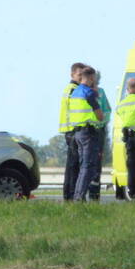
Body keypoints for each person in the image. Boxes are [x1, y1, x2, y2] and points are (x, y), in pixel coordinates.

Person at [69, 66, 104, 201]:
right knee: (88, 167)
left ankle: (77, 195)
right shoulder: (89, 93)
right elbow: (100, 116)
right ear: (91, 78)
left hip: (78, 133)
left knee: (83, 166)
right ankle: (79, 197)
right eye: (93, 78)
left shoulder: (75, 92)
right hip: (88, 132)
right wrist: (94, 89)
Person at [59, 62, 87, 201]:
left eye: (83, 74)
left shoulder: (70, 88)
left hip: (70, 131)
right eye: (79, 74)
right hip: (73, 130)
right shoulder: (74, 90)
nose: (82, 77)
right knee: (74, 166)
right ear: (72, 74)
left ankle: (69, 196)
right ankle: (70, 196)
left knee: (72, 166)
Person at [115, 78, 135, 200]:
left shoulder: (122, 103)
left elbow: (119, 113)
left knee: (132, 168)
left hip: (130, 137)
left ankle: (133, 194)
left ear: (127, 90)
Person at [89, 70, 111, 200]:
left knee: (97, 164)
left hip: (99, 132)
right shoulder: (83, 92)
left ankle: (95, 194)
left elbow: (107, 110)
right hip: (86, 131)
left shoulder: (101, 92)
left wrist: (101, 122)